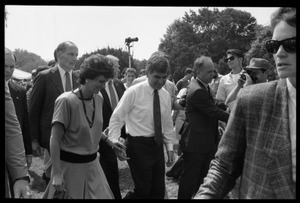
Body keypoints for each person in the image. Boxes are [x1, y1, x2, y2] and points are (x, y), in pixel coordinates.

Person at [194, 7, 296, 199]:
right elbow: (224, 165)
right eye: (274, 46)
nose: (280, 53)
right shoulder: (252, 99)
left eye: (291, 44)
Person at [43, 54, 128, 199]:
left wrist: (109, 141)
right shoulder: (66, 101)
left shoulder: (98, 98)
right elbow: (54, 139)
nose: (103, 86)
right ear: (87, 77)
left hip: (93, 167)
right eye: (101, 81)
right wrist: (56, 174)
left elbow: (91, 127)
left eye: (106, 82)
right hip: (69, 169)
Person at [107, 50, 176, 199]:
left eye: (164, 78)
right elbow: (116, 118)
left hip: (157, 146)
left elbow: (167, 123)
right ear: (148, 73)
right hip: (138, 146)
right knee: (143, 190)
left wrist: (169, 148)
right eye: (156, 77)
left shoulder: (164, 95)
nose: (160, 81)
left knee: (158, 190)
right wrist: (114, 141)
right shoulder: (133, 92)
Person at [178, 56, 230, 199]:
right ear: (198, 71)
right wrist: (234, 117)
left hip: (203, 141)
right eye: (209, 72)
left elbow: (212, 105)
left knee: (201, 177)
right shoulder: (198, 90)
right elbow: (212, 111)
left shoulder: (201, 85)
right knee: (190, 178)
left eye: (213, 71)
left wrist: (225, 106)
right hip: (196, 143)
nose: (212, 75)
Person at [28, 41, 80, 184]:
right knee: (57, 176)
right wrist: (34, 140)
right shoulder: (45, 77)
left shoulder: (79, 78)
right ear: (59, 54)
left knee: (71, 175)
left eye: (76, 55)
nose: (75, 58)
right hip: (51, 136)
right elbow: (34, 110)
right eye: (71, 54)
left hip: (75, 136)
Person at [98, 54, 127, 199]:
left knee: (112, 171)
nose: (119, 69)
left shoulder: (119, 84)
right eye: (116, 66)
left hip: (119, 135)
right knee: (109, 171)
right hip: (102, 136)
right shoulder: (98, 85)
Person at [5, 48, 30, 198]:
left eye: (11, 66)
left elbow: (12, 128)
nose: (8, 70)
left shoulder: (14, 90)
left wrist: (21, 176)